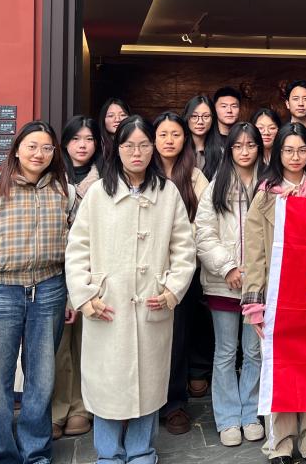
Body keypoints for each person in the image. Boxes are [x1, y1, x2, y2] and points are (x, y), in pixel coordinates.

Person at [65, 115, 196, 464]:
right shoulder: (98, 193)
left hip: (152, 302)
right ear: (117, 148)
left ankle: (142, 451)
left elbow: (184, 249)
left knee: (148, 384)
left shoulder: (167, 193)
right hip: (108, 304)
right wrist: (86, 295)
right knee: (107, 383)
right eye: (129, 145)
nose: (136, 152)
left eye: (143, 145)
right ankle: (108, 454)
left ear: (152, 149)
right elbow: (76, 249)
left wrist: (171, 290)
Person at [0, 121, 72, 464]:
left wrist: (72, 296)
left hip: (49, 289)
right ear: (17, 149)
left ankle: (36, 452)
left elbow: (78, 250)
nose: (39, 154)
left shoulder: (65, 192)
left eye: (47, 148)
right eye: (32, 146)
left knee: (41, 380)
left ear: (54, 153)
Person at [241, 123, 306, 464]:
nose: (295, 157)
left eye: (301, 150)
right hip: (277, 297)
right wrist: (255, 306)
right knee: (278, 370)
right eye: (288, 150)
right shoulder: (265, 195)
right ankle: (280, 443)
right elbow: (254, 255)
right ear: (277, 153)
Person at [195, 122, 265, 446]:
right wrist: (228, 268)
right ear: (229, 150)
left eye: (250, 145)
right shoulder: (217, 185)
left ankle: (250, 414)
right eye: (238, 146)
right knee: (225, 351)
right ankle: (227, 418)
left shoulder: (268, 183)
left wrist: (258, 272)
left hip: (259, 283)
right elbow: (204, 233)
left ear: (259, 148)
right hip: (223, 283)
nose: (245, 151)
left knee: (253, 351)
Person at [154, 111, 212, 434]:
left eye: (175, 134)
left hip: (182, 269)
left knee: (177, 338)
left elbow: (204, 220)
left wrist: (179, 247)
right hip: (147, 268)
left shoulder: (194, 175)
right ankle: (146, 404)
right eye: (163, 134)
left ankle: (174, 403)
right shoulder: (143, 172)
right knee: (146, 339)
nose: (169, 140)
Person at [52, 115, 102, 441]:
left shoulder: (105, 180)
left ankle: (82, 407)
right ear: (65, 143)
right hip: (54, 272)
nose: (82, 145)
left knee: (87, 344)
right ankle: (58, 409)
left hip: (90, 272)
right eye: (75, 139)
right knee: (58, 347)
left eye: (88, 139)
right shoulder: (51, 177)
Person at [184, 95, 217, 179]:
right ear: (187, 118)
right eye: (194, 116)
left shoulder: (221, 152)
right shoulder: (178, 148)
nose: (200, 121)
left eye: (206, 116)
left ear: (213, 119)